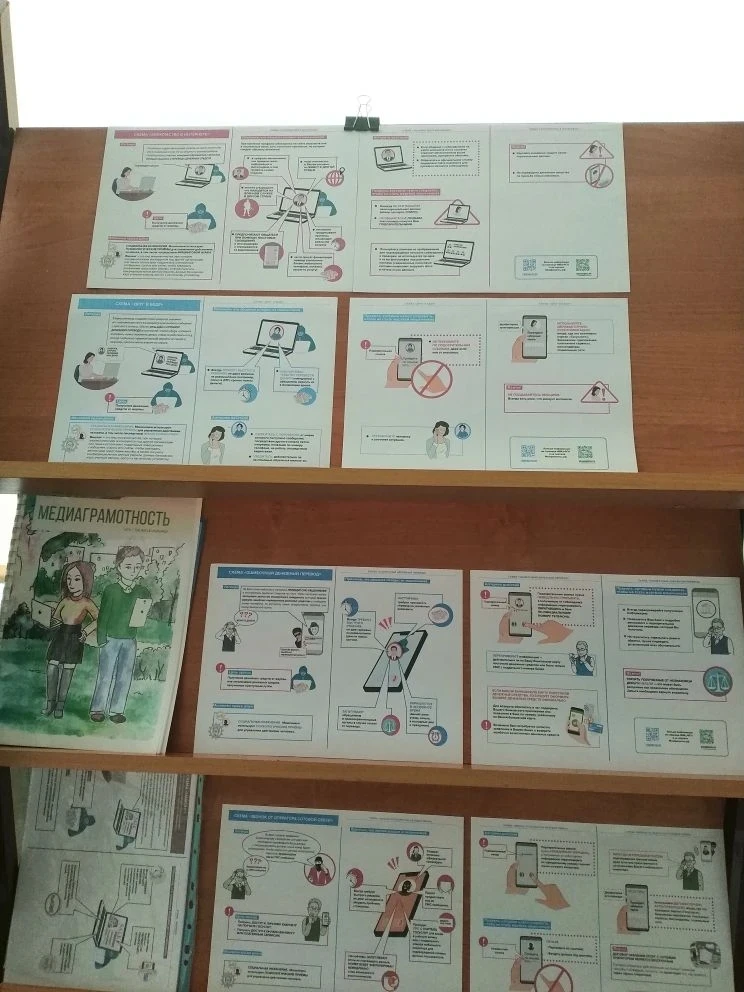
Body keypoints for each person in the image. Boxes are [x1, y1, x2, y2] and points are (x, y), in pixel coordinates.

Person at [90, 546, 149, 724]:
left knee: (124, 675)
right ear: (119, 566)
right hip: (110, 639)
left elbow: (141, 615)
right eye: (128, 566)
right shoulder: (111, 590)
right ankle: (97, 709)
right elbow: (103, 616)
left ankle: (117, 710)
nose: (133, 570)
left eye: (137, 567)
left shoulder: (142, 591)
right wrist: (101, 638)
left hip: (130, 640)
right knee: (105, 675)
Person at [44, 561, 98, 718]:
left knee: (67, 671)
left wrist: (86, 632)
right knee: (51, 667)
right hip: (60, 636)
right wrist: (44, 618)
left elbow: (98, 619)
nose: (71, 583)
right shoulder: (65, 601)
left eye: (76, 579)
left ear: (86, 581)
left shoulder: (87, 603)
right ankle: (50, 703)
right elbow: (55, 620)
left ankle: (60, 706)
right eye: (68, 579)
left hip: (75, 637)